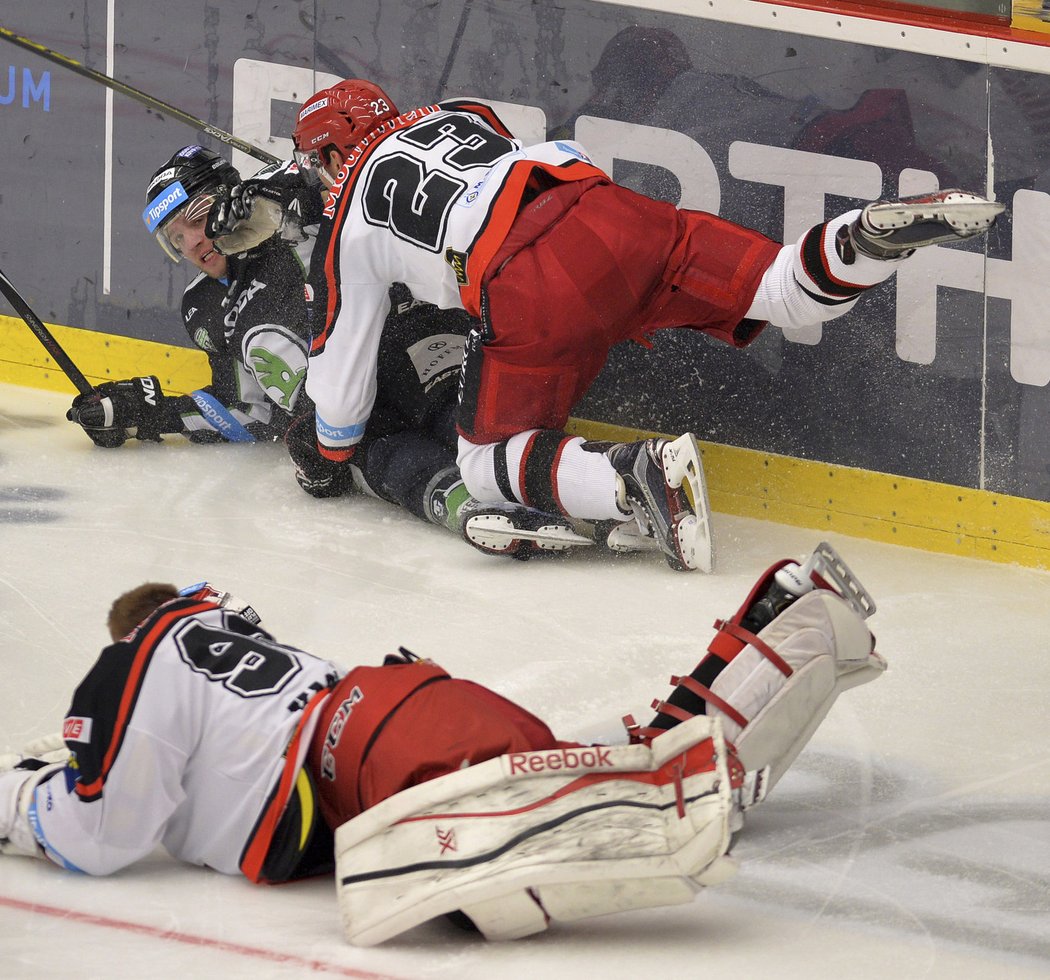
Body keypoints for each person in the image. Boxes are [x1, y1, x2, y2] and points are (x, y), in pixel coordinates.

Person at [236, 79, 1004, 572]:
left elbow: (338, 405)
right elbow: (453, 166)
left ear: (333, 153)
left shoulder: (347, 230)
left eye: (317, 163)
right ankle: (862, 239)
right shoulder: (458, 111)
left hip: (531, 279)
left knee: (484, 464)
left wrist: (319, 455)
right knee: (781, 290)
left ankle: (635, 479)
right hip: (613, 213)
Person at [1, 542, 886, 945]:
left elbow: (99, 831)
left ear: (126, 635)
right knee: (627, 770)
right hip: (399, 703)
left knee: (643, 812)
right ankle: (770, 623)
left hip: (369, 763)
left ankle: (792, 632)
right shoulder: (229, 637)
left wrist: (17, 799)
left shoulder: (136, 661)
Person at [63, 145, 587, 560]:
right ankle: (466, 508)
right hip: (346, 414)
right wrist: (150, 413)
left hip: (415, 349)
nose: (192, 246)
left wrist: (284, 188)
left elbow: (335, 179)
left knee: (462, 427)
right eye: (174, 241)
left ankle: (598, 490)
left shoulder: (286, 217)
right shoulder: (203, 307)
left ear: (228, 200)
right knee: (362, 450)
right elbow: (253, 410)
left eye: (195, 220)